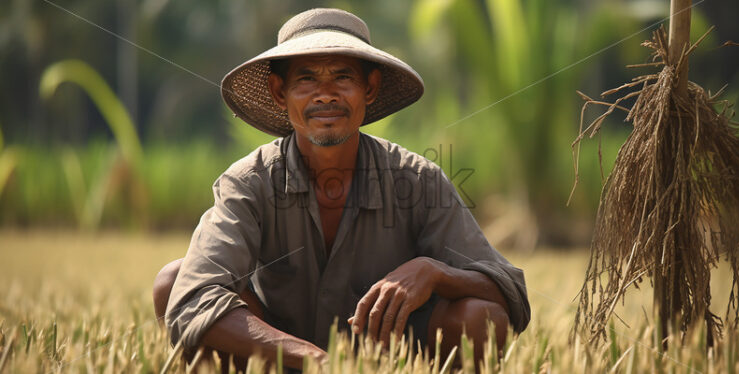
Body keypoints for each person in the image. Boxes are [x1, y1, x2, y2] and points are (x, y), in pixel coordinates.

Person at [153, 8, 530, 371]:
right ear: (279, 92)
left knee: (483, 316)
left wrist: (433, 273)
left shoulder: (418, 179)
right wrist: (318, 361)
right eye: (307, 79)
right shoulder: (249, 182)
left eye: (343, 78)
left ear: (370, 88)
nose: (326, 95)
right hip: (274, 360)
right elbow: (192, 297)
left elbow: (509, 292)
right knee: (173, 283)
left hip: (388, 363)